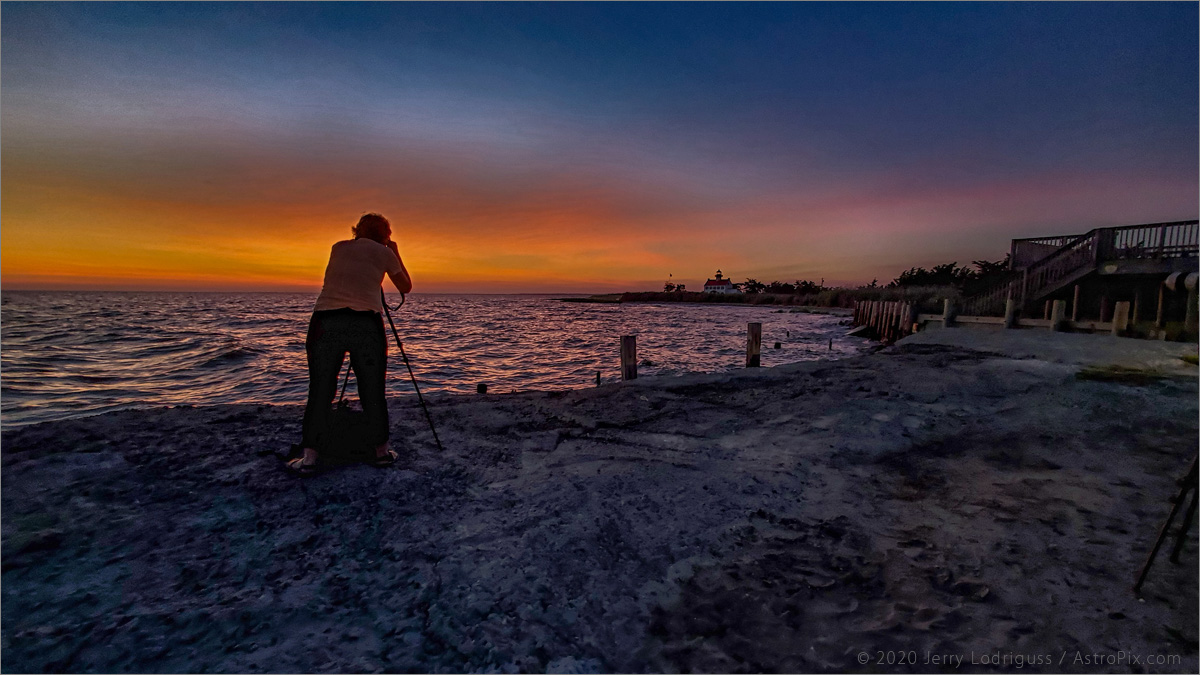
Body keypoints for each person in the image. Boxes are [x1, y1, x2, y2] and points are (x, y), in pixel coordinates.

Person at [290, 213, 413, 474]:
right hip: (365, 323)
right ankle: (381, 453)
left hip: (326, 320)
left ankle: (310, 458)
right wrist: (394, 252)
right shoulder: (385, 252)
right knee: (372, 389)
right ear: (386, 235)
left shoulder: (339, 247)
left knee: (321, 389)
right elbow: (405, 286)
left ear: (357, 231)